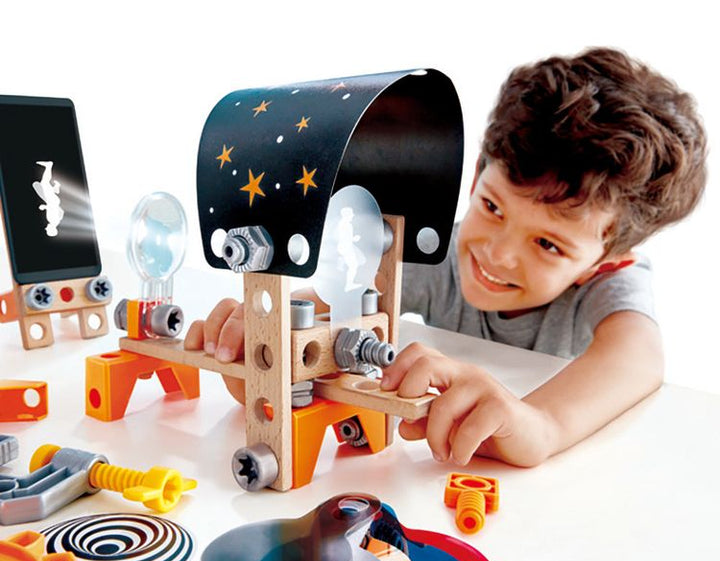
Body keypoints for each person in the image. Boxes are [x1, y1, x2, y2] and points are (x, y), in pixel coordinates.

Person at [185, 48, 707, 468]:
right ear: (477, 174)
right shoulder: (438, 258)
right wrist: (265, 342)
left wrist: (539, 426)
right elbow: (329, 306)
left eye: (548, 244)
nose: (497, 253)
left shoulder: (610, 285)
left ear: (608, 262)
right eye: (493, 207)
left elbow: (638, 360)